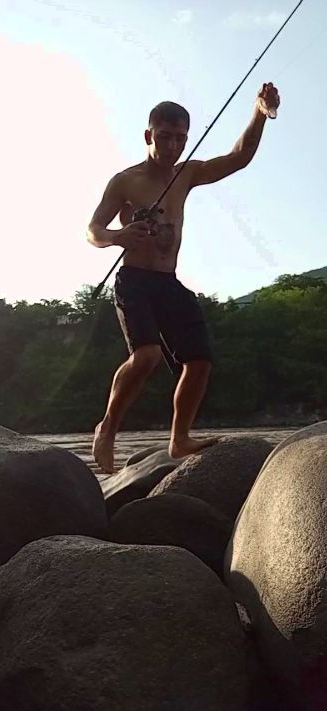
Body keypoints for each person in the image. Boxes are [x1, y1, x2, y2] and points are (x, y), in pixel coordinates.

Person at [87, 82, 280, 474]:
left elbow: (239, 157)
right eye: (164, 137)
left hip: (168, 281)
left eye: (180, 138)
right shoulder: (125, 180)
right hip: (135, 280)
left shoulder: (187, 174)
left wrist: (260, 113)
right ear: (148, 136)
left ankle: (179, 438)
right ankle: (107, 427)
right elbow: (93, 230)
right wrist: (117, 237)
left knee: (199, 361)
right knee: (146, 356)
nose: (173, 145)